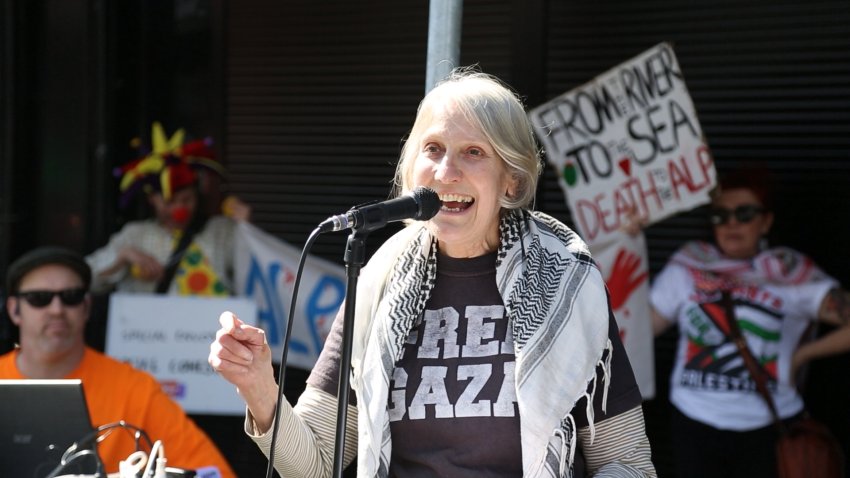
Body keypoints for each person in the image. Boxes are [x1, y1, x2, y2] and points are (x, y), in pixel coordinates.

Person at [209, 68, 656, 477]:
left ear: (511, 181)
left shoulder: (565, 283)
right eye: (434, 149)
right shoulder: (378, 284)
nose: (446, 173)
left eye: (473, 152)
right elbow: (315, 464)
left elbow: (626, 461)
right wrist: (259, 387)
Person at [648, 169, 850, 477]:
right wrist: (627, 241)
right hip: (694, 421)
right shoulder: (691, 262)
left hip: (767, 427)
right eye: (721, 215)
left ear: (766, 221)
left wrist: (800, 357)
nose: (731, 224)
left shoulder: (789, 269)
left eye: (744, 214)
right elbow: (638, 330)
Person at [1, 246, 237, 477]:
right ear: (14, 310)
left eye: (71, 297)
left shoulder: (135, 389)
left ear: (86, 307)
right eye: (39, 298)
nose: (56, 309)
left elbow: (215, 473)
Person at [86, 122, 251, 296]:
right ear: (152, 199)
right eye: (169, 201)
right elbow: (85, 280)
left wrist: (248, 229)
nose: (179, 208)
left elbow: (256, 275)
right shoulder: (134, 235)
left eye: (187, 199)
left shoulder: (222, 230)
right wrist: (121, 258)